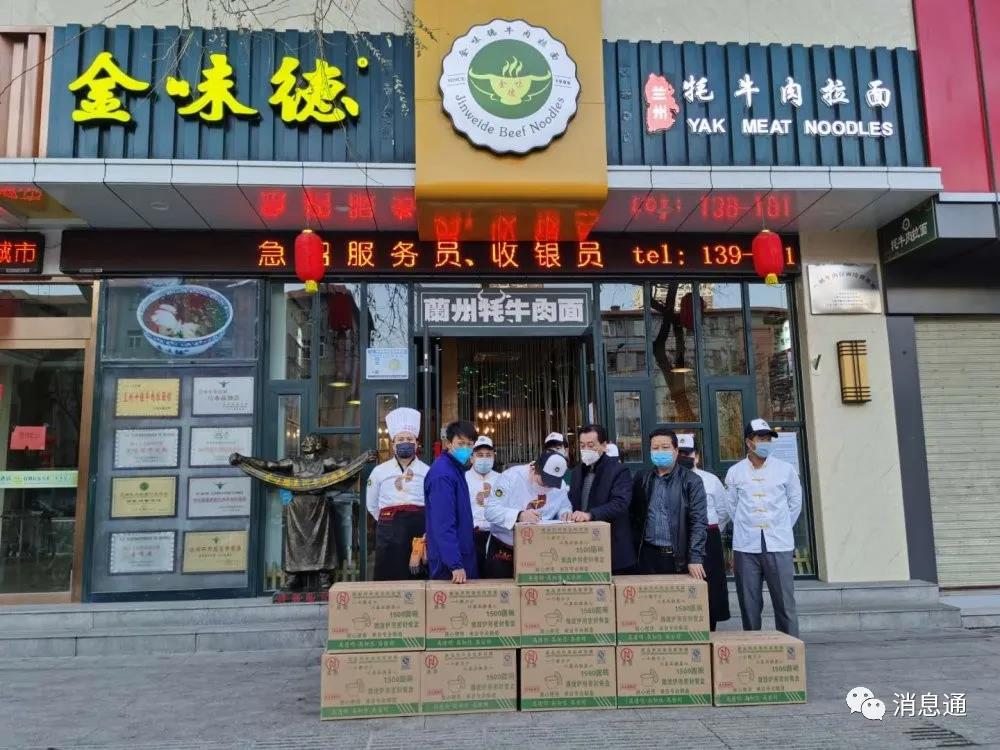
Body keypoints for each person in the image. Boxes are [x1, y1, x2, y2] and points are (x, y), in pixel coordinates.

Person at [726, 419, 802, 637]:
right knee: (749, 602)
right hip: (746, 546)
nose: (765, 442)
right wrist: (747, 525)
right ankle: (753, 648)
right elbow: (732, 506)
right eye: (761, 438)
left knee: (785, 602)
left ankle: (790, 647)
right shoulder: (735, 472)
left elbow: (795, 502)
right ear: (749, 442)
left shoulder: (785, 469)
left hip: (778, 544)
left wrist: (780, 525)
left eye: (768, 438)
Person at [629, 428, 707, 580]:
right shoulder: (642, 478)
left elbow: (699, 521)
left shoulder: (691, 481)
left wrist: (695, 557)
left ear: (676, 451)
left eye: (665, 447)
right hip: (647, 555)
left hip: (677, 557)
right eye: (655, 448)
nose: (660, 452)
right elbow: (633, 515)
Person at [483, 450, 573, 578]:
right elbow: (490, 511)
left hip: (537, 549)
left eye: (552, 484)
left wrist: (565, 513)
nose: (547, 487)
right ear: (534, 469)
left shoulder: (560, 486)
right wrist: (519, 515)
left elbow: (564, 504)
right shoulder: (511, 477)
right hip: (504, 547)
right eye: (544, 481)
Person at [365, 407, 429, 581]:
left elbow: (432, 503)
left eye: (409, 439)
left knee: (417, 576)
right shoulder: (379, 471)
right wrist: (387, 520)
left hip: (418, 528)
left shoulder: (427, 471)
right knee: (388, 576)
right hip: (388, 529)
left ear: (416, 444)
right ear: (393, 444)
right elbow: (372, 504)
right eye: (400, 439)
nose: (405, 442)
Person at [677, 434, 731, 630]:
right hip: (679, 539)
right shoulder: (668, 479)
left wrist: (709, 533)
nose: (684, 457)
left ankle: (710, 628)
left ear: (697, 456)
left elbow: (723, 511)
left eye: (688, 453)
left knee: (711, 585)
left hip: (709, 538)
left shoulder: (711, 480)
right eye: (680, 453)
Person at [568, 424, 636, 574]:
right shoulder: (577, 471)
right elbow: (572, 501)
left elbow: (620, 503)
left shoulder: (618, 470)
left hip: (612, 548)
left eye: (591, 445)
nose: (586, 449)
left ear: (604, 446)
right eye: (582, 445)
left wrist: (590, 514)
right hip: (582, 547)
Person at [424, 420, 480, 583]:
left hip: (460, 554)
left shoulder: (455, 469)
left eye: (470, 444)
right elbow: (443, 522)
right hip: (449, 564)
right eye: (460, 443)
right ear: (449, 444)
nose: (466, 448)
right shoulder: (443, 474)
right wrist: (454, 564)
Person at [466, 434, 500, 574]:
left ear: (493, 457)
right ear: (471, 458)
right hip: (470, 536)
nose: (484, 458)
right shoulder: (463, 479)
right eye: (480, 455)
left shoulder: (502, 479)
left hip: (495, 537)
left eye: (488, 455)